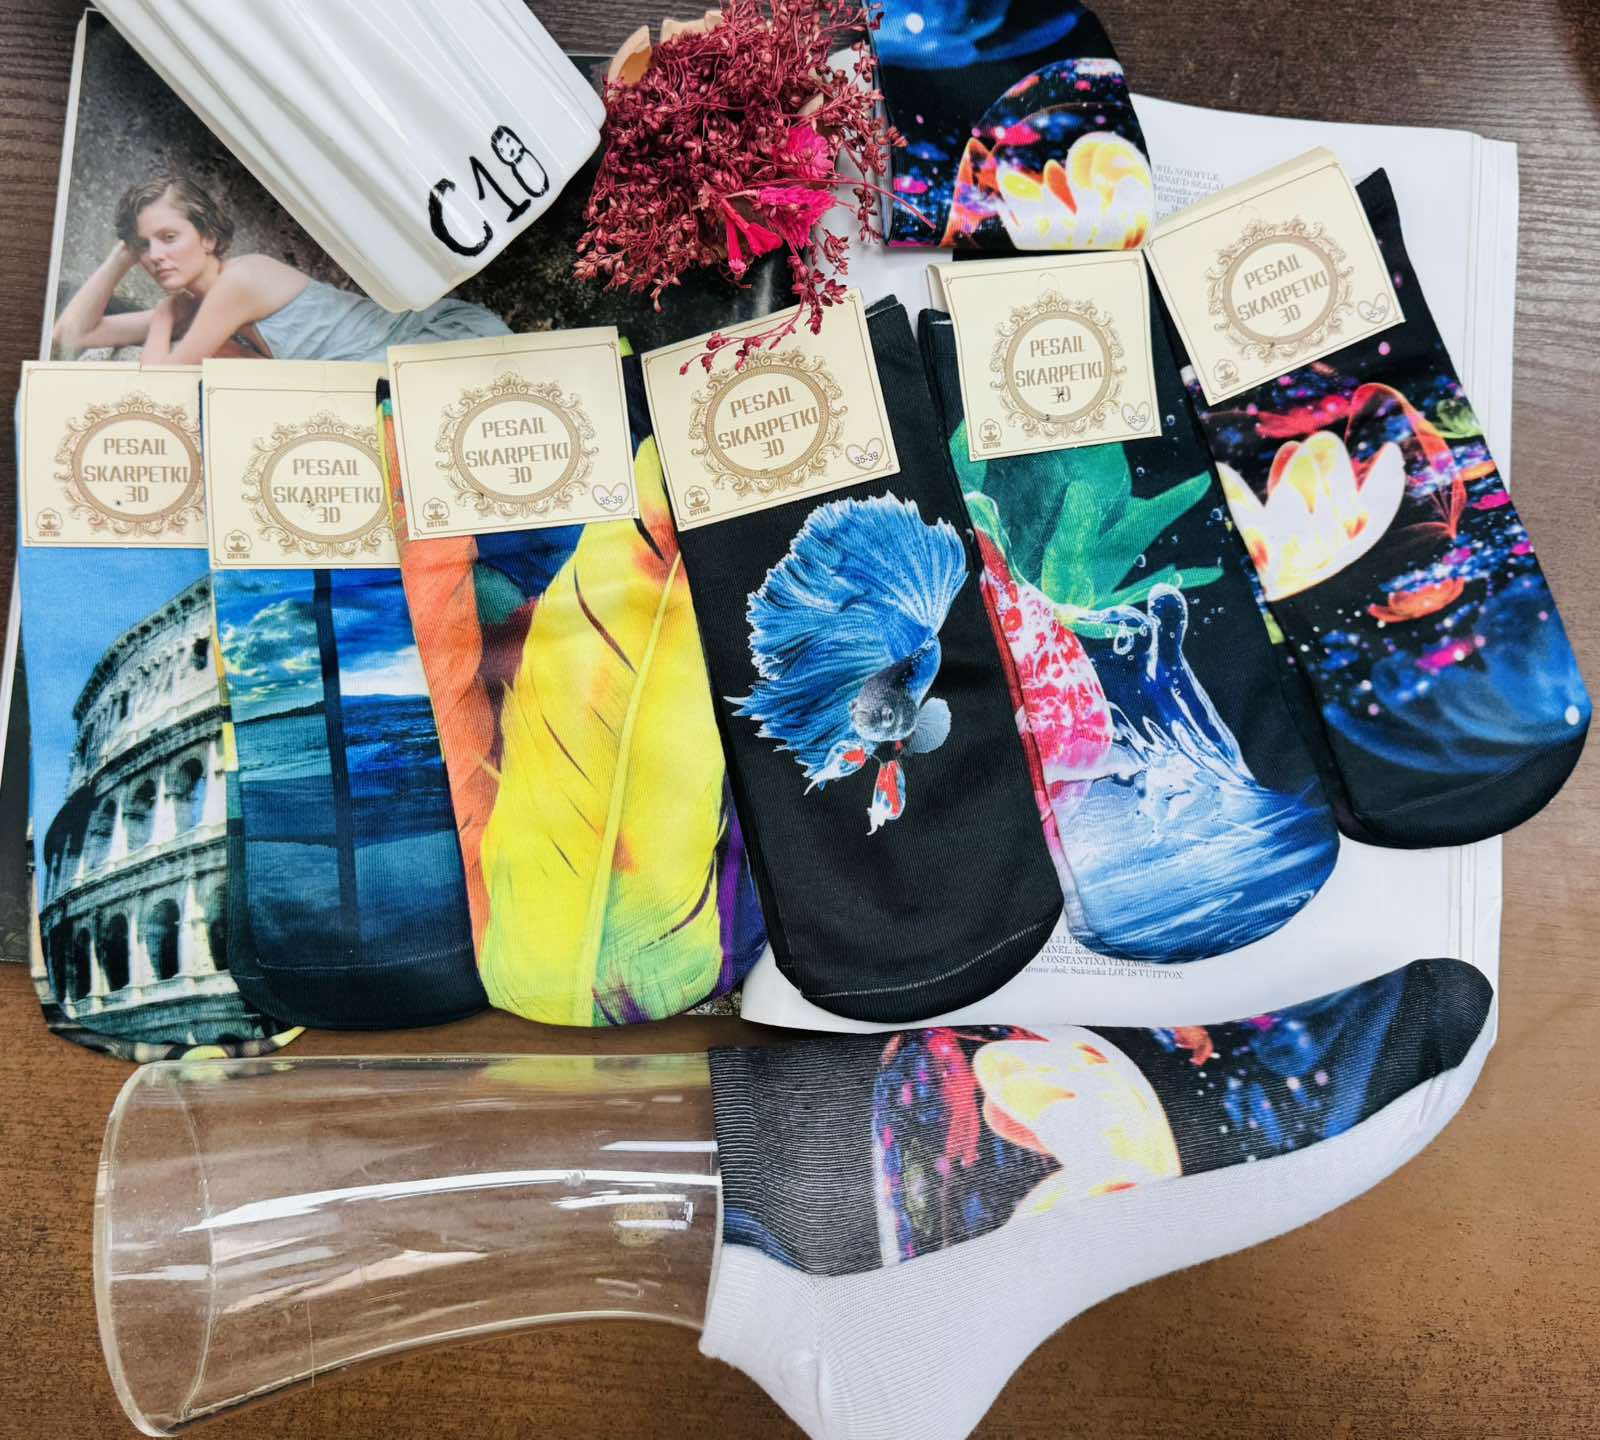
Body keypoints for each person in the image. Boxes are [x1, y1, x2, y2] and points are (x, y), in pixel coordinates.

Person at [52, 175, 508, 364]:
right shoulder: (196, 307)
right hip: (386, 371)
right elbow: (71, 333)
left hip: (438, 344)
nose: (154, 255)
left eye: (168, 237)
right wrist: (121, 255)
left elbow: (159, 386)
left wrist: (164, 318)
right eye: (143, 245)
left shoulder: (240, 280)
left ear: (207, 237)